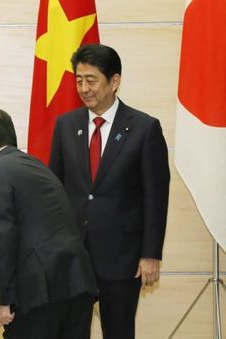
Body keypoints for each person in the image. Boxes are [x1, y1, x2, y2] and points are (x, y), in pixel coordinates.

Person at [0, 108, 98, 339]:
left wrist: (1, 300)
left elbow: (2, 237)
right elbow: (24, 225)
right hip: (76, 283)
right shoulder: (36, 166)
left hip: (39, 292)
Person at [49, 44, 170, 339]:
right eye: (79, 80)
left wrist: (150, 254)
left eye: (91, 80)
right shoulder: (66, 125)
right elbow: (54, 190)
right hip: (73, 256)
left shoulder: (144, 128)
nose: (83, 88)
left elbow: (156, 197)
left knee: (118, 332)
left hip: (122, 257)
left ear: (114, 81)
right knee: (70, 332)